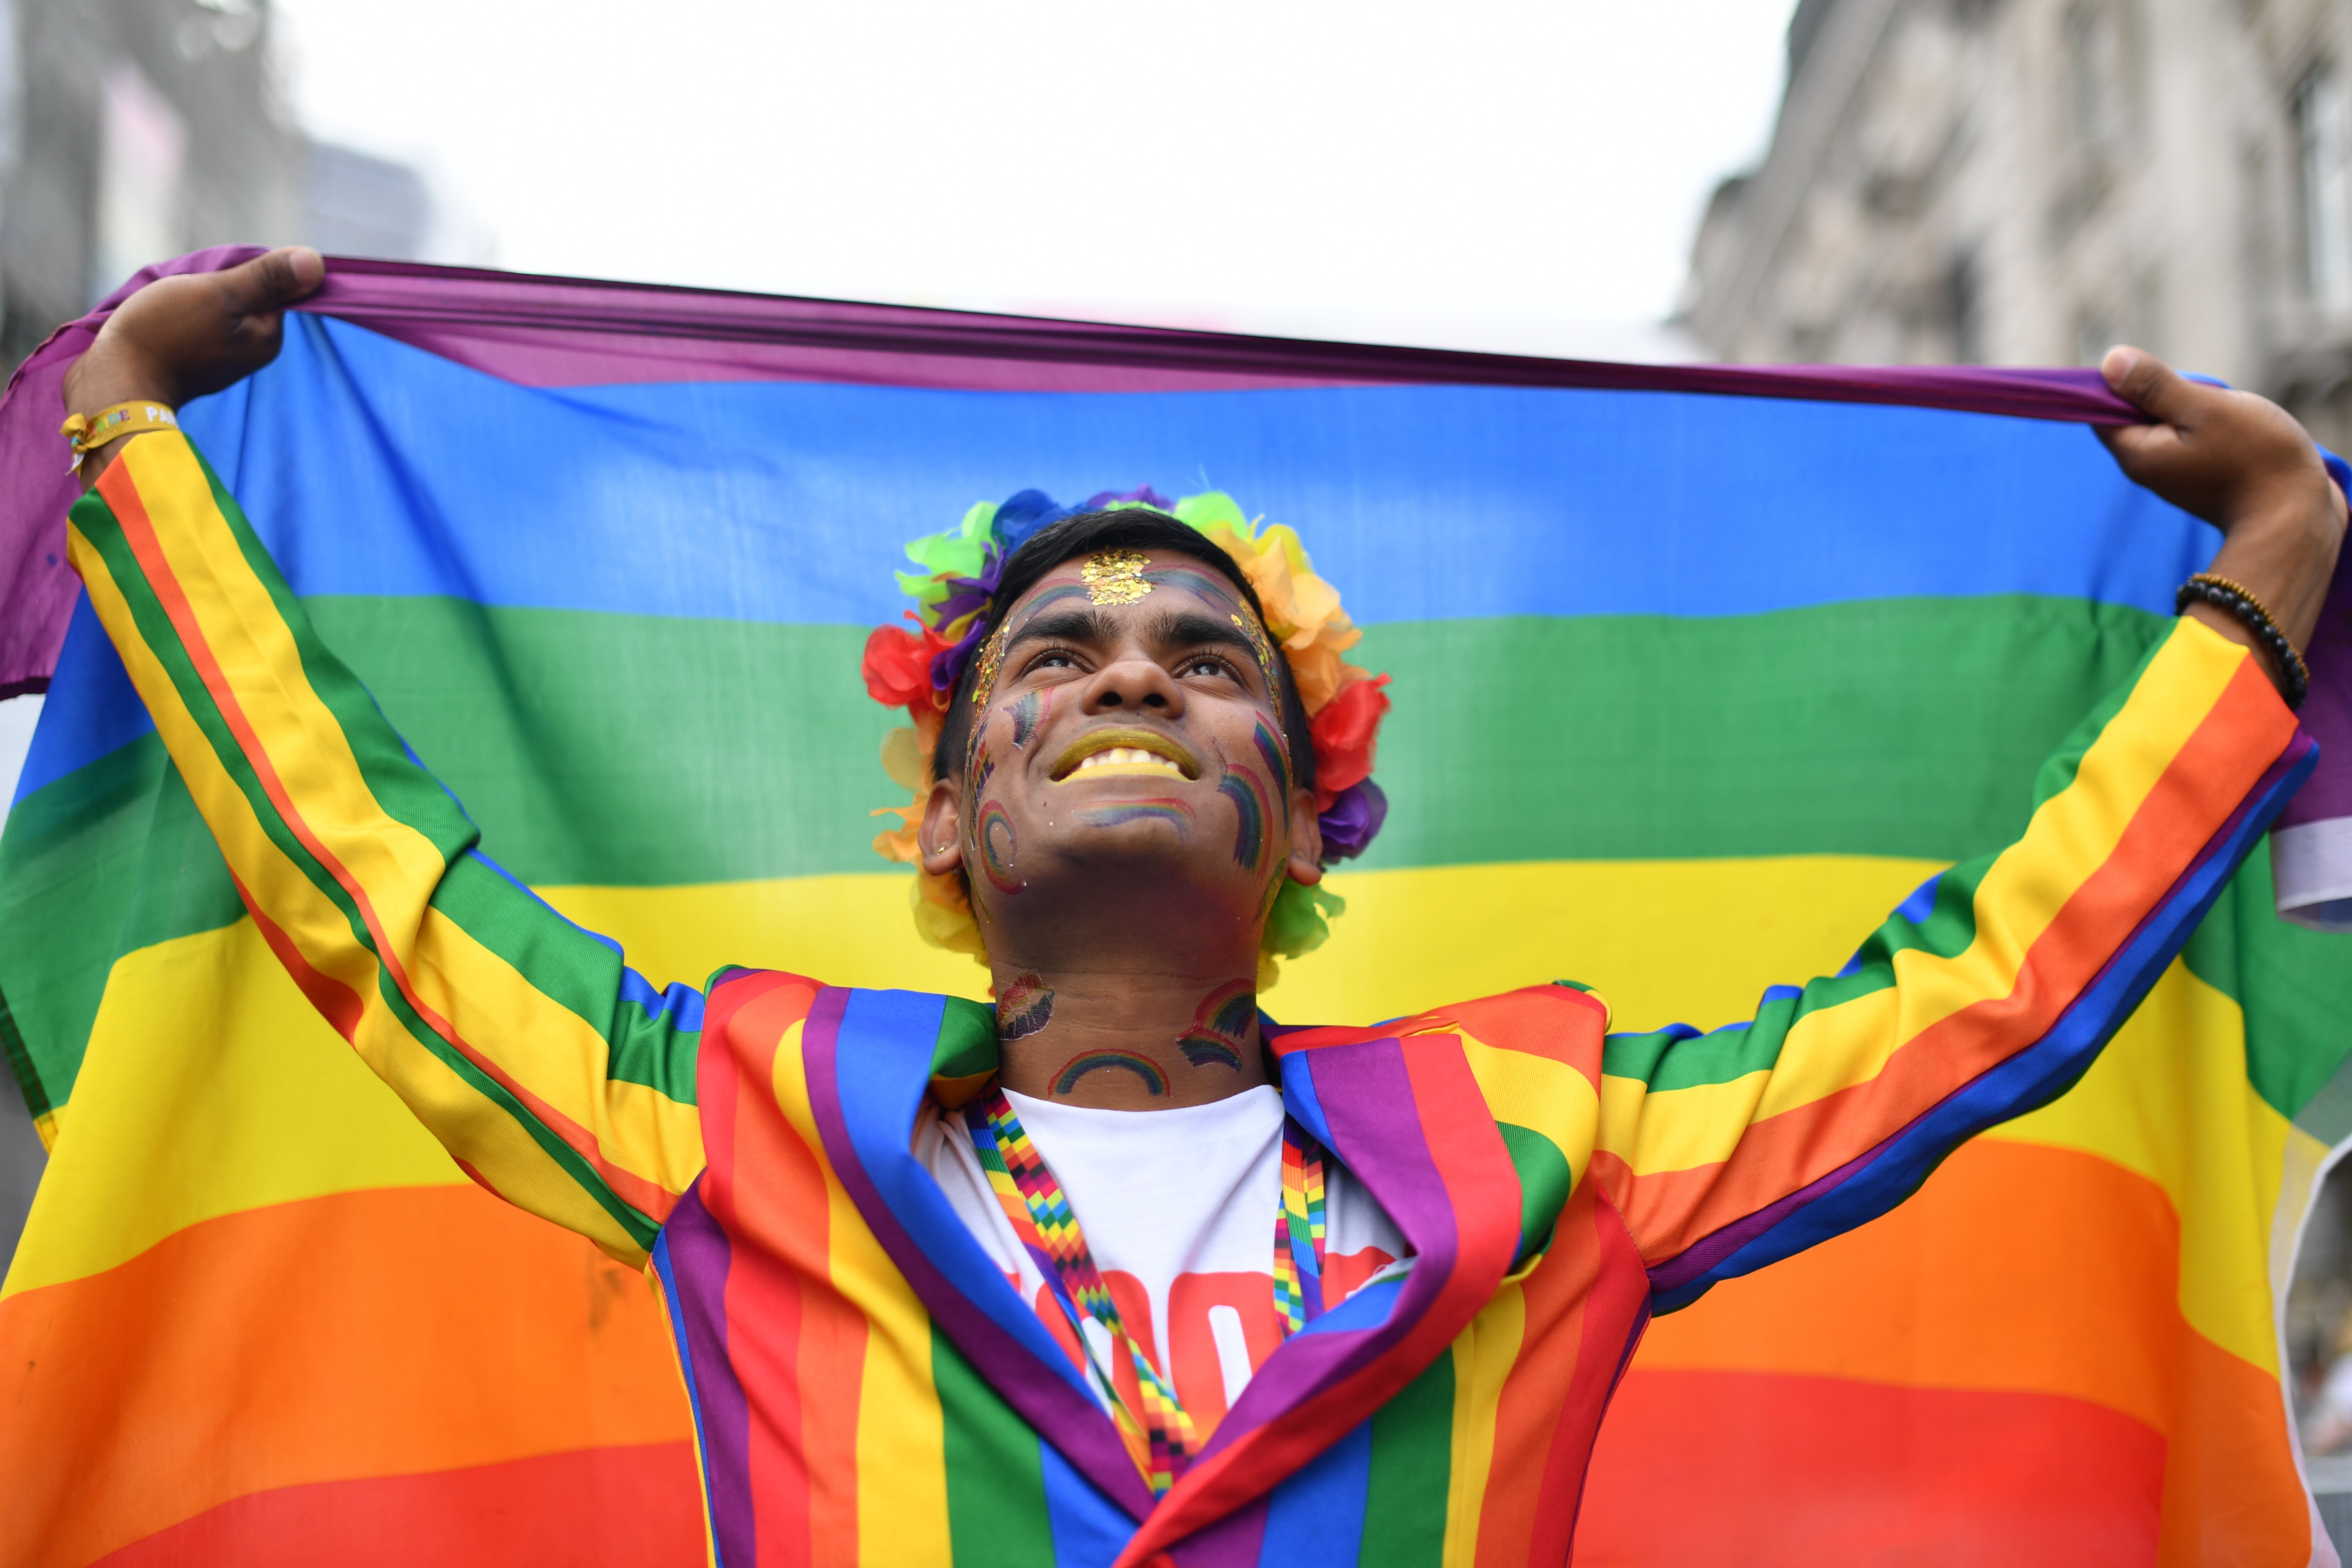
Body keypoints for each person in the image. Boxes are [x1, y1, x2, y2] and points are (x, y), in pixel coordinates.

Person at [54, 247, 2345, 1565]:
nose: (1132, 669)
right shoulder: (722, 1107)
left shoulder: (1561, 1140)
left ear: (1312, 819)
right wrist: (137, 460)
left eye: (1208, 658)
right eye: (1051, 659)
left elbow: (1989, 988)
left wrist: (2256, 600)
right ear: (948, 822)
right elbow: (368, 875)